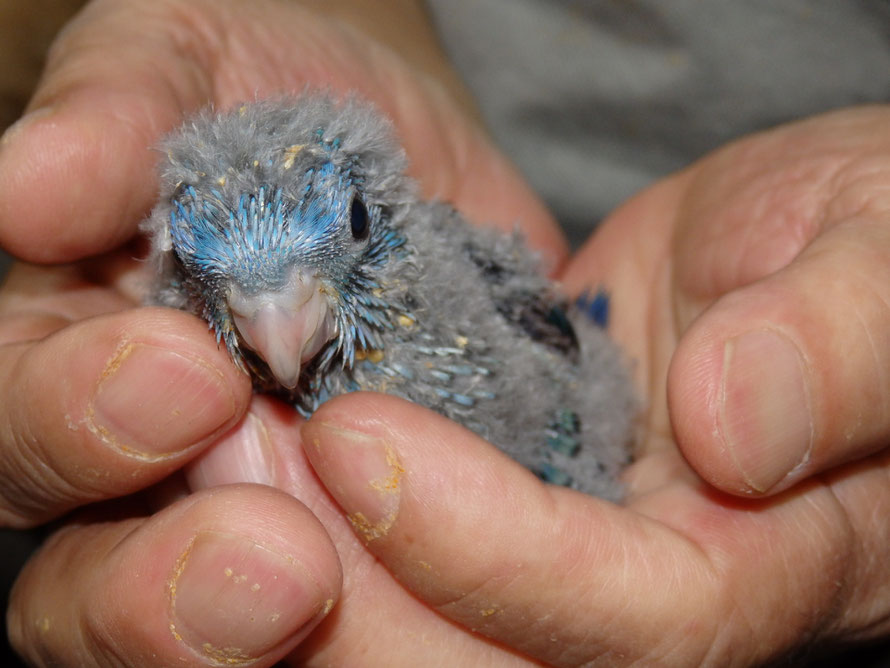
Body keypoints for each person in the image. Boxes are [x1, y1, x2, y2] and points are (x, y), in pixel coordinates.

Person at [2, 1, 890, 665]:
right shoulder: (190, 349)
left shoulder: (474, 318)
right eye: (215, 280)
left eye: (341, 231)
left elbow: (564, 369)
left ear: (376, 213)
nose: (275, 325)